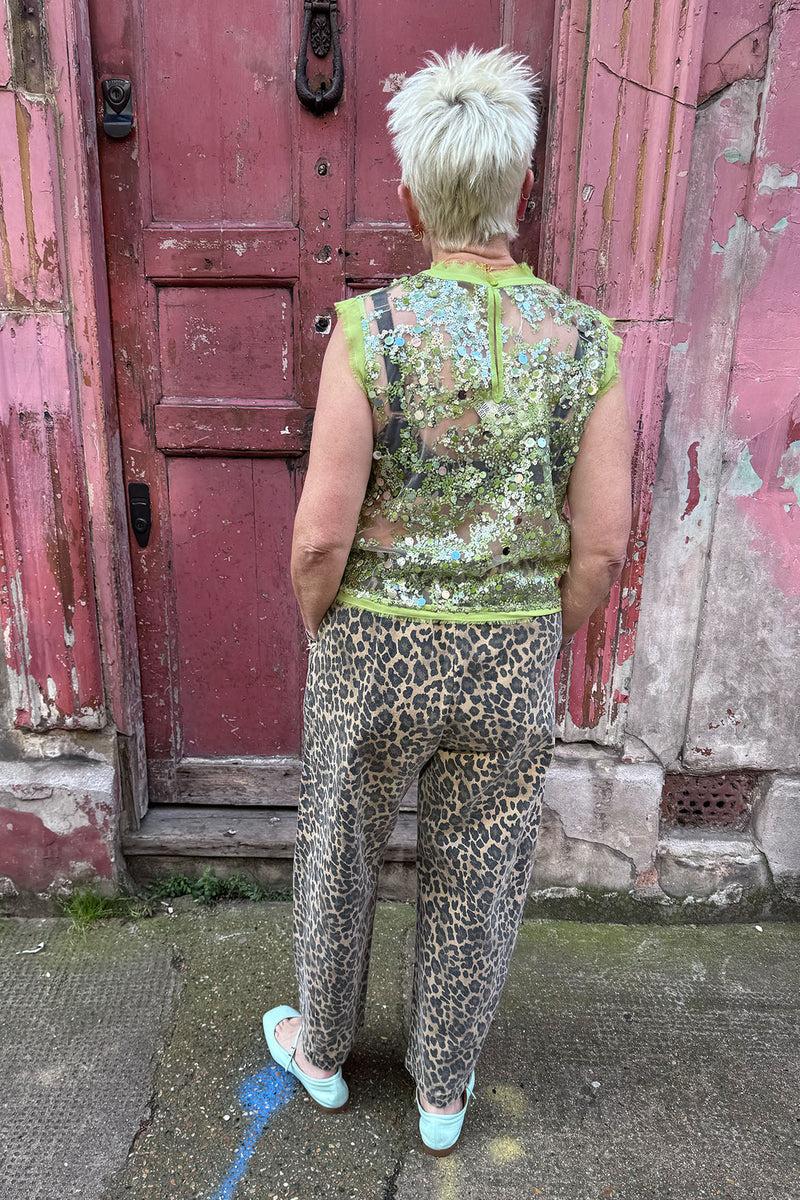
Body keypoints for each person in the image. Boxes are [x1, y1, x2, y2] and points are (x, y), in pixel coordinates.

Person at [263, 45, 632, 1156]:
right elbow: (602, 547)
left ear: (414, 198)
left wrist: (326, 627)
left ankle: (323, 1054)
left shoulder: (369, 333)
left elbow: (320, 535)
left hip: (374, 645)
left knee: (337, 849)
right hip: (510, 649)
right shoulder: (585, 344)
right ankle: (440, 1086)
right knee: (481, 870)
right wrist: (535, 635)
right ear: (522, 187)